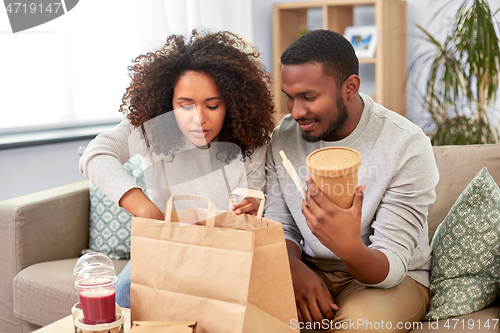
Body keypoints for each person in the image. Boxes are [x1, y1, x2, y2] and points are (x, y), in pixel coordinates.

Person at [79, 30, 275, 308]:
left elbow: (253, 202)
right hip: (167, 247)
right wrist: (145, 209)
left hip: (228, 251)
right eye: (185, 105)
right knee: (124, 294)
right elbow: (96, 155)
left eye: (213, 105)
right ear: (167, 103)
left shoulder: (250, 137)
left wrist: (254, 204)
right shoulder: (151, 128)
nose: (199, 119)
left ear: (231, 102)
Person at [264, 29, 439, 332]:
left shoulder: (405, 144)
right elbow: (280, 225)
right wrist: (295, 271)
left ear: (350, 87)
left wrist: (347, 246)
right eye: (289, 97)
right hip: (309, 268)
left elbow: (393, 264)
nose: (296, 111)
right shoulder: (284, 137)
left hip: (387, 278)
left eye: (309, 97)